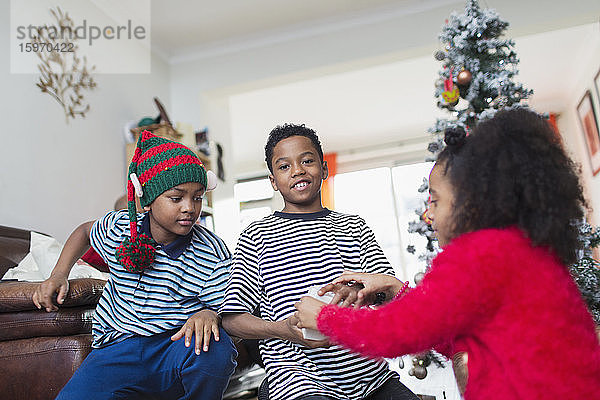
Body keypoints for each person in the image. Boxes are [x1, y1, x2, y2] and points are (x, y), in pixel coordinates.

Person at [295, 109, 600, 399]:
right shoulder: (516, 250)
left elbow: (394, 333)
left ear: (474, 202)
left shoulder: (482, 254)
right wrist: (397, 292)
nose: (428, 215)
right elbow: (454, 335)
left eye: (436, 201)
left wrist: (324, 318)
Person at [33, 131, 237, 400]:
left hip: (175, 344)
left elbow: (230, 303)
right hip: (119, 347)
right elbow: (84, 231)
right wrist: (58, 274)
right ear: (148, 199)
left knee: (217, 349)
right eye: (176, 198)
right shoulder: (119, 229)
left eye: (197, 197)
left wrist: (211, 314)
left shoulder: (211, 249)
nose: (189, 207)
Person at [220, 124, 418, 400]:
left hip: (370, 375)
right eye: (284, 166)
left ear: (324, 169)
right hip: (298, 380)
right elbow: (232, 320)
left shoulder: (353, 227)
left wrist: (364, 291)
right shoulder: (256, 236)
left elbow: (387, 292)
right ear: (273, 181)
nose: (298, 170)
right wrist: (283, 330)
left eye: (307, 161)